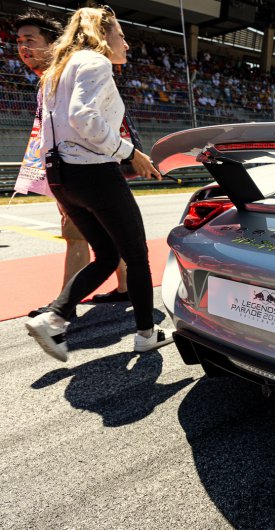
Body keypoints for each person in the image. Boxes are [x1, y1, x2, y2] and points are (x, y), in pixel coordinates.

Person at [26, 6, 172, 362]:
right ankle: (146, 334)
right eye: (121, 35)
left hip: (61, 176)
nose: (126, 44)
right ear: (103, 34)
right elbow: (84, 117)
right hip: (94, 173)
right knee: (136, 255)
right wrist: (130, 153)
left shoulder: (56, 70)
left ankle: (54, 317)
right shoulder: (95, 62)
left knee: (107, 255)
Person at [14, 11, 129, 319]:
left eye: (30, 40)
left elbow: (84, 119)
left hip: (85, 168)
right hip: (87, 165)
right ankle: (126, 288)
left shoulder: (68, 70)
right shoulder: (60, 72)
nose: (23, 47)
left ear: (54, 43)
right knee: (110, 232)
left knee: (77, 234)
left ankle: (63, 306)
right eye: (19, 41)